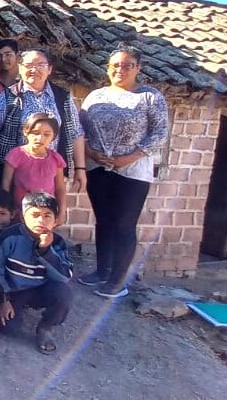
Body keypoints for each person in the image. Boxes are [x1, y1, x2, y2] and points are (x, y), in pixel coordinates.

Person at [79, 46, 169, 299]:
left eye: (127, 65)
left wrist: (129, 157)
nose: (120, 70)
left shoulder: (149, 97)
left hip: (132, 171)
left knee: (124, 224)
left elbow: (160, 134)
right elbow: (80, 129)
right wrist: (93, 154)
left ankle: (118, 281)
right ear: (108, 68)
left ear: (138, 68)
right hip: (98, 167)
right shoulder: (96, 97)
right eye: (115, 65)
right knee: (104, 220)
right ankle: (101, 271)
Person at [0, 48, 86, 192]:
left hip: (49, 172)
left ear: (49, 69)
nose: (34, 70)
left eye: (40, 65)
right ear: (20, 68)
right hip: (12, 171)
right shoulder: (9, 96)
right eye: (29, 65)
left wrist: (80, 168)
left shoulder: (62, 97)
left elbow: (76, 132)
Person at [0, 192, 74, 355]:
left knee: (64, 294)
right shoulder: (9, 237)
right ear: (23, 218)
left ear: (55, 220)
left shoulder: (57, 242)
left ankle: (45, 327)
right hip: (13, 290)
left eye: (47, 216)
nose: (41, 221)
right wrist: (4, 299)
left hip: (40, 289)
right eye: (35, 215)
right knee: (7, 328)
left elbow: (65, 276)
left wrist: (45, 251)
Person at [2, 113, 67, 219]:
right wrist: (8, 209)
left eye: (46, 134)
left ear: (54, 136)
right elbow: (5, 185)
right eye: (35, 133)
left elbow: (60, 188)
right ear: (26, 132)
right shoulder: (16, 155)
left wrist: (62, 212)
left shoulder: (56, 159)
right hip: (21, 212)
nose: (40, 138)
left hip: (47, 212)